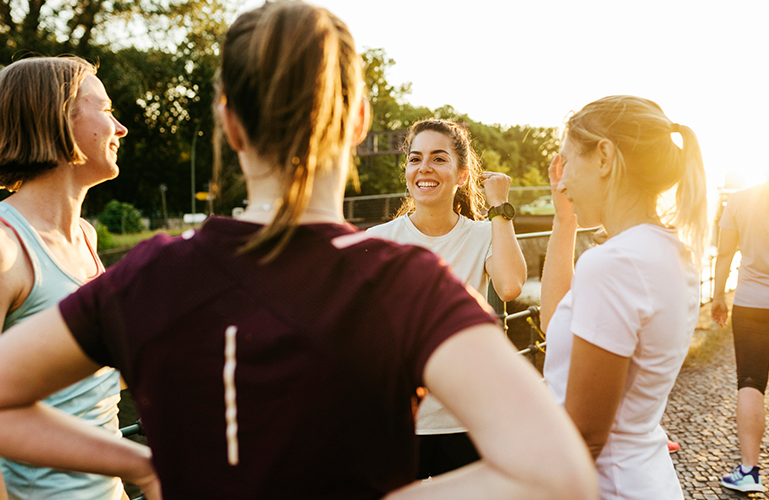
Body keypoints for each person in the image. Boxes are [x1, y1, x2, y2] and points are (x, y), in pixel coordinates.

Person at [0, 3, 598, 499]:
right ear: (359, 119)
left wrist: (139, 464)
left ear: (230, 125)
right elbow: (558, 471)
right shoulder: (403, 280)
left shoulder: (151, 274)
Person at [540, 95, 708, 499]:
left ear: (603, 157)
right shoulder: (668, 250)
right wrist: (565, 221)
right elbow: (557, 323)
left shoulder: (614, 264)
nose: (560, 182)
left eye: (567, 162)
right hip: (645, 478)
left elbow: (585, 435)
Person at [367, 118, 526, 479]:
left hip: (469, 417)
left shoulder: (485, 234)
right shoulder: (379, 240)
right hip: (400, 421)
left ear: (462, 175)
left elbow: (511, 286)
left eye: (439, 159)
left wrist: (500, 206)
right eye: (414, 158)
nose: (424, 168)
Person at [0, 57, 128, 500]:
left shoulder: (87, 239)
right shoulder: (5, 247)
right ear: (61, 117)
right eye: (106, 108)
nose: (120, 127)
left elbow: (94, 375)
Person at [712, 151, 769, 492]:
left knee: (750, 381)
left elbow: (723, 254)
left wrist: (718, 296)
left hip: (751, 305)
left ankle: (749, 471)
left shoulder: (738, 200)